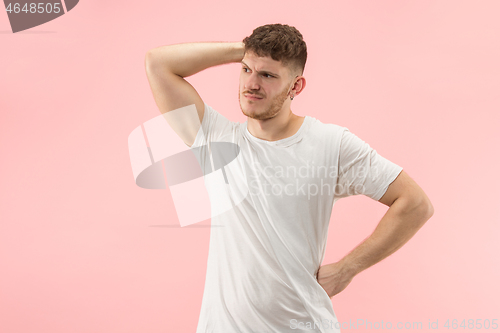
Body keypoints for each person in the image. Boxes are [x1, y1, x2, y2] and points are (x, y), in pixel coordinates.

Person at [145, 23, 434, 333]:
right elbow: (159, 64)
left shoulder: (330, 144)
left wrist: (348, 269)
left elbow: (416, 204)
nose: (251, 84)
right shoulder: (215, 140)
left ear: (296, 87)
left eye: (268, 75)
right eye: (246, 70)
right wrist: (245, 49)